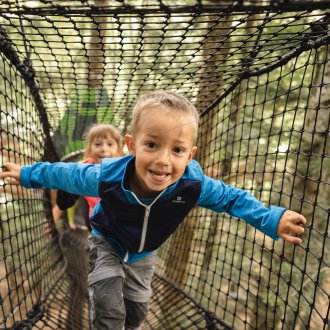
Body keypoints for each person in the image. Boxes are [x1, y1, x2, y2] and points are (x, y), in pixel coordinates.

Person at [0, 91, 307, 330]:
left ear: (190, 154)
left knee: (135, 312)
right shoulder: (108, 176)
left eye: (176, 150)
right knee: (108, 304)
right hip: (107, 239)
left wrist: (271, 218)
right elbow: (65, 175)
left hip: (145, 253)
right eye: (151, 145)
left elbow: (232, 198)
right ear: (131, 145)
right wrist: (28, 173)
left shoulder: (192, 185)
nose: (163, 160)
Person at [53, 123, 123, 233]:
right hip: (97, 228)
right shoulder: (84, 171)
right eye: (98, 144)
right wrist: (53, 220)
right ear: (89, 150)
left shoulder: (122, 170)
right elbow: (64, 200)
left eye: (110, 144)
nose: (104, 149)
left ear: (118, 150)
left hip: (120, 225)